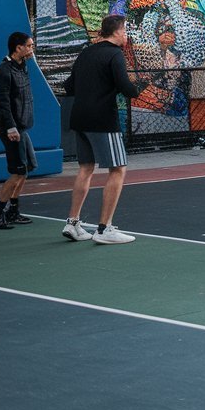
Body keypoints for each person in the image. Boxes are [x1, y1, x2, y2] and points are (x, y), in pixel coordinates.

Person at [61, 14, 142, 244]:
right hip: (103, 120)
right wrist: (137, 89)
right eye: (125, 29)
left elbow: (69, 86)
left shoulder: (87, 52)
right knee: (118, 169)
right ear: (116, 31)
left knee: (85, 168)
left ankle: (73, 222)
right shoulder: (115, 54)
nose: (126, 33)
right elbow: (125, 86)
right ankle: (104, 228)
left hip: (80, 118)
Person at [0, 31, 37, 229]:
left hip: (21, 126)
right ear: (19, 48)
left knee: (26, 169)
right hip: (9, 126)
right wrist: (10, 127)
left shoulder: (22, 67)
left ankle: (13, 210)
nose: (32, 49)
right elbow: (2, 101)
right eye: (29, 46)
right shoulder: (4, 71)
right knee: (17, 171)